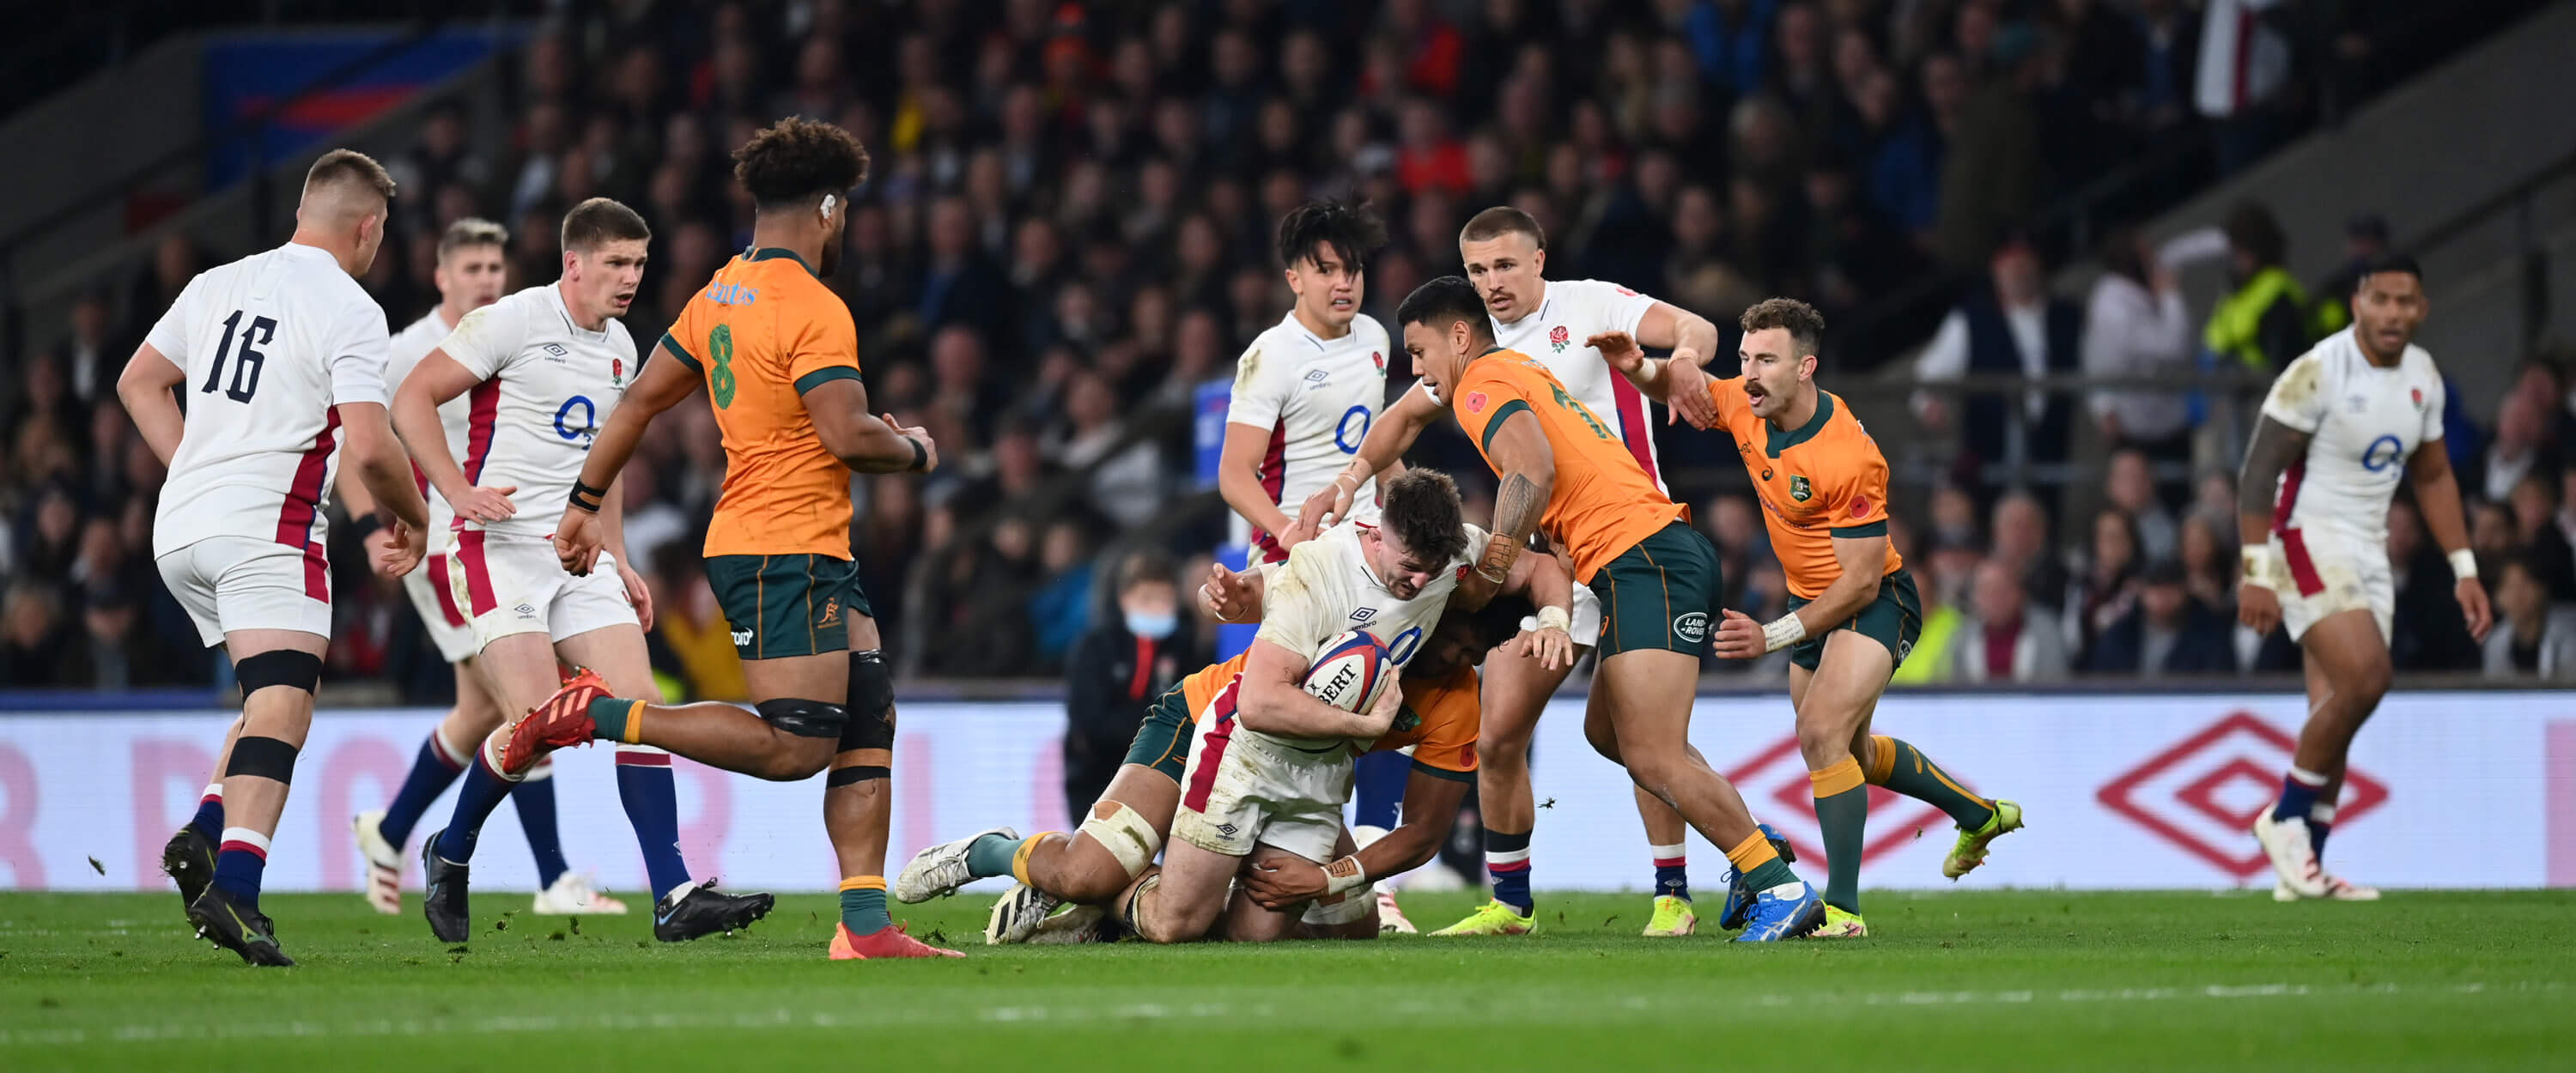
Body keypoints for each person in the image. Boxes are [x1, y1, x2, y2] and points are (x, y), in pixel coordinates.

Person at [522, 118, 956, 960]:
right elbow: (847, 432)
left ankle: (865, 926)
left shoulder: (720, 292)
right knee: (796, 745)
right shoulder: (814, 307)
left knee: (868, 715)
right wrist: (913, 449)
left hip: (797, 543)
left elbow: (641, 401)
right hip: (779, 548)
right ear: (829, 207)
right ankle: (603, 712)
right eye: (846, 213)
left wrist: (583, 501)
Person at [1303, 206, 1727, 939]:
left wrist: (1683, 361)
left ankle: (1675, 893)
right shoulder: (1472, 349)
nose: (1491, 282)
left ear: (1538, 260)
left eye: (1504, 265)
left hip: (1626, 544)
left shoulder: (1589, 302)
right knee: (1499, 733)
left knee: (1640, 737)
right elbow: (1400, 421)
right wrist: (1347, 482)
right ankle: (1510, 904)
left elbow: (1701, 330)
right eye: (1476, 270)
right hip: (1547, 560)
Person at [892, 501, 1567, 945]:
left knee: (1340, 928)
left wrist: (1558, 620)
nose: (1458, 660)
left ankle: (1134, 906)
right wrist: (1251, 591)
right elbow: (1282, 611)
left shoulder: (1453, 683)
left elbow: (1423, 831)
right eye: (1458, 644)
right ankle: (993, 854)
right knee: (1093, 872)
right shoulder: (1362, 593)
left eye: (1475, 657)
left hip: (1300, 768)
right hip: (1202, 721)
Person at [1379, 276, 1824, 940]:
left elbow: (1531, 469)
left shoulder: (1480, 384)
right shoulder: (1520, 367)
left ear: (1459, 337)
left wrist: (1495, 563)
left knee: (1652, 752)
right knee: (1610, 735)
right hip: (1639, 558)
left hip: (1645, 558)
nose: (1416, 369)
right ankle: (1760, 846)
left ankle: (1778, 886)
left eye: (1418, 351)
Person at [1600, 297, 2021, 939]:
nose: (1748, 373)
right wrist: (1638, 369)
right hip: (1810, 604)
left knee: (1822, 733)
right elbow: (1687, 387)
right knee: (1848, 750)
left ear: (1806, 367)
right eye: (1744, 358)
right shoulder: (1748, 402)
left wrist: (1772, 635)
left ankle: (1844, 913)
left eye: (1765, 360)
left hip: (1874, 600)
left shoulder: (1849, 456)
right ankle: (1978, 814)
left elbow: (1857, 581)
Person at [395, 198, 758, 944]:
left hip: (578, 554)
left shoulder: (622, 346)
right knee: (537, 729)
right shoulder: (513, 321)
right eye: (617, 264)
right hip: (497, 549)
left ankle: (673, 893)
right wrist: (456, 492)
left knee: (639, 706)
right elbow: (411, 399)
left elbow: (608, 458)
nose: (629, 279)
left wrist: (619, 557)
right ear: (575, 263)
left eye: (639, 265)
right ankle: (451, 850)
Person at [119, 149, 433, 965]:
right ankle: (237, 887)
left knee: (272, 697)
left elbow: (138, 383)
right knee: (286, 707)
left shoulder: (215, 282)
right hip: (269, 524)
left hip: (180, 523)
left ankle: (207, 830)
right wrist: (415, 513)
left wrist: (194, 467)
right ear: (368, 228)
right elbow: (368, 444)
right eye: (381, 233)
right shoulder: (351, 307)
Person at [349, 218, 623, 919]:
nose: (486, 280)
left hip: (519, 543)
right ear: (441, 277)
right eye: (470, 268)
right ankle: (554, 876)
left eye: (495, 268)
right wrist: (372, 525)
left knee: (481, 711)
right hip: (446, 544)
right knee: (525, 705)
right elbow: (356, 446)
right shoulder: (410, 350)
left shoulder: (518, 329)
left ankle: (393, 830)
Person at [2237, 254, 2491, 901]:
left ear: (2422, 309)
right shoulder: (2318, 371)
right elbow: (2258, 473)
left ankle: (2306, 870)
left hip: (2369, 550)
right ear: (2358, 304)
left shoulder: (2423, 378)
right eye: (2381, 300)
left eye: (2406, 302)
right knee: (2368, 677)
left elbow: (2432, 476)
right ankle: (2285, 818)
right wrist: (2255, 570)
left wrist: (2464, 568)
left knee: (2339, 707)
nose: (2394, 314)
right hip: (2303, 537)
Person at [1211, 198, 1418, 928]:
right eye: (1326, 270)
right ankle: (1247, 866)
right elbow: (1235, 473)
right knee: (1302, 726)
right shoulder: (1272, 356)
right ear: (1293, 275)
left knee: (1384, 698)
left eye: (1353, 270)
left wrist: (1409, 510)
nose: (1344, 284)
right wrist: (1286, 534)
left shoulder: (1373, 338)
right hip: (1293, 568)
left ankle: (1370, 875)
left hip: (1370, 552)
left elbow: (1378, 445)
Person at [1912, 234, 2083, 485]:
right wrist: (1929, 402)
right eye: (2011, 266)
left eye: (2025, 264)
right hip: (1989, 449)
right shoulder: (1972, 318)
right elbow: (1932, 371)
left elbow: (2097, 365)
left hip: (2050, 444)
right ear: (1996, 270)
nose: (2019, 273)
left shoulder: (2067, 317)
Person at [1060, 549, 1183, 825]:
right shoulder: (1094, 648)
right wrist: (1150, 731)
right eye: (1147, 599)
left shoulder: (1183, 648)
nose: (1157, 608)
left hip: (1162, 779)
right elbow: (1090, 720)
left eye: (1164, 599)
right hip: (1095, 779)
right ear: (1124, 599)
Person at [2085, 561, 2239, 676]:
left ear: (2185, 590)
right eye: (2155, 588)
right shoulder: (2120, 635)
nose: (2163, 596)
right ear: (2142, 591)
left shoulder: (2211, 636)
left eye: (2171, 588)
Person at [1953, 558, 2074, 682]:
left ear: (2020, 593)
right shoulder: (1964, 637)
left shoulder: (2047, 632)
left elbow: (2056, 690)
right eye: (1986, 590)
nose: (1995, 597)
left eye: (2002, 588)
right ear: (1975, 597)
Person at [2482, 556, 2576, 678]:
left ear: (2542, 588)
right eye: (2509, 587)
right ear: (2496, 598)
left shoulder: (2568, 632)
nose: (2517, 595)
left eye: (2524, 584)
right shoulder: (2495, 642)